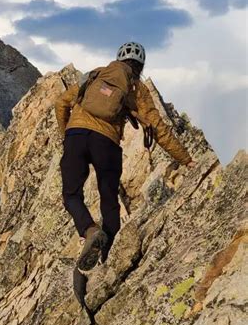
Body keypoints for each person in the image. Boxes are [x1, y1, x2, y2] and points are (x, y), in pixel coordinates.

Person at [55, 41, 195, 273]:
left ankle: (89, 231)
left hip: (76, 135)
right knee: (109, 199)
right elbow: (157, 128)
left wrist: (67, 134)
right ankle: (108, 256)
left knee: (71, 194)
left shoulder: (96, 74)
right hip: (106, 143)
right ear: (140, 66)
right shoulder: (136, 88)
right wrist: (186, 159)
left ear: (118, 59)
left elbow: (61, 102)